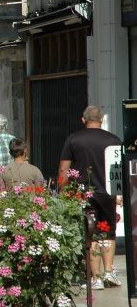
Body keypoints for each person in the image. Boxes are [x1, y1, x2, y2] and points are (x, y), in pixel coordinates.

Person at [59, 106, 122, 290]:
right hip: (107, 193)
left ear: (83, 119)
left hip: (83, 193)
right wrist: (118, 194)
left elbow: (64, 169)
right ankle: (108, 271)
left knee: (91, 233)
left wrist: (64, 192)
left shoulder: (73, 139)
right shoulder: (114, 140)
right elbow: (118, 169)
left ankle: (96, 278)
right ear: (101, 120)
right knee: (108, 231)